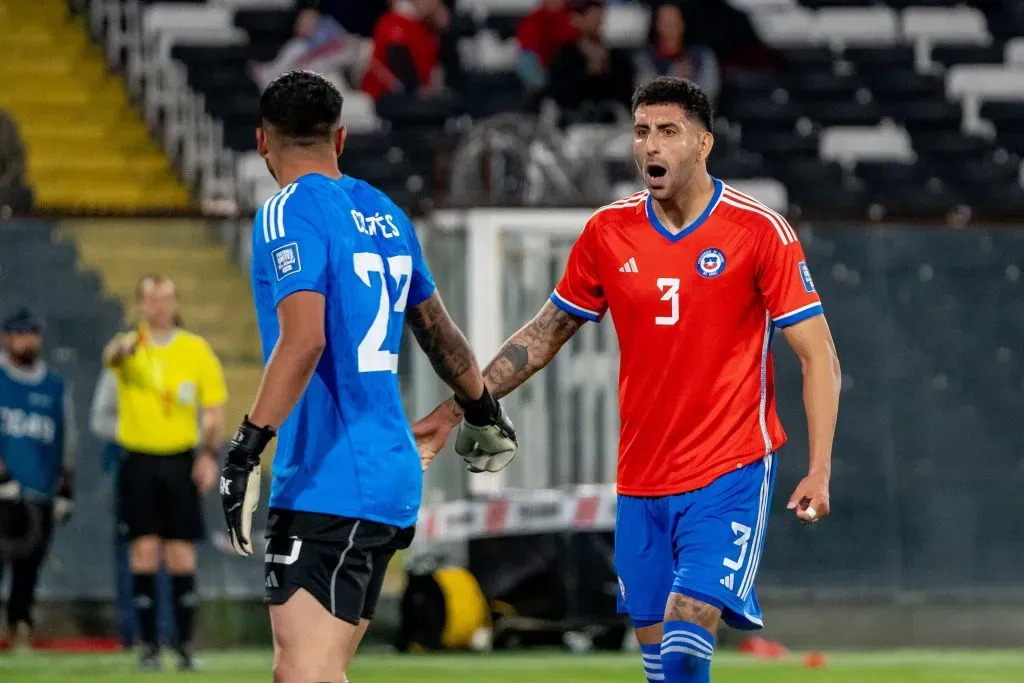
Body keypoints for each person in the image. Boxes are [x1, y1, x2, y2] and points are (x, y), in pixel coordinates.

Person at [413, 76, 842, 683]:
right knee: (656, 661)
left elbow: (818, 355)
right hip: (641, 479)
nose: (650, 146)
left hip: (729, 468)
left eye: (668, 132)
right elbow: (540, 337)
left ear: (703, 145)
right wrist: (456, 409)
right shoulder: (608, 233)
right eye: (642, 132)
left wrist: (820, 466)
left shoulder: (757, 232)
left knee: (688, 632)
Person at [217, 70, 517, 683]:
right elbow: (441, 336)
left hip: (328, 477)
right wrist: (481, 410)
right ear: (341, 138)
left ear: (262, 142)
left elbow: (304, 341)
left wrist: (244, 450)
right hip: (389, 476)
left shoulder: (285, 211)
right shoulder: (385, 214)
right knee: (318, 669)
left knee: (302, 672)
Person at [102, 275, 226, 671]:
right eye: (153, 300)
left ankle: (184, 646)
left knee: (180, 553)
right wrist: (124, 349)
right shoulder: (128, 346)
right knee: (143, 551)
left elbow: (213, 411)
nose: (160, 307)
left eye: (167, 298)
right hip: (138, 458)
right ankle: (149, 647)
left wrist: (207, 454)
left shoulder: (195, 350)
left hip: (179, 460)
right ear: (141, 304)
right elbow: (114, 358)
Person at [0, 307, 75, 650]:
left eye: (31, 333)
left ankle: (20, 628)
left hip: (39, 493)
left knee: (29, 569)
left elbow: (67, 440)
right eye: (20, 334)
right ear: (7, 338)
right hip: (3, 493)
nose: (26, 340)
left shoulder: (54, 387)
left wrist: (64, 490)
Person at [88, 369, 174, 651]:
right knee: (135, 551)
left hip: (174, 466)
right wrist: (140, 433)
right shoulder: (122, 361)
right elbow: (100, 419)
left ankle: (169, 633)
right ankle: (135, 633)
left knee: (173, 551)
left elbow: (197, 416)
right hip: (130, 467)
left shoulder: (184, 358)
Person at [547, 0, 635, 118]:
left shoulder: (615, 56)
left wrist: (606, 71)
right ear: (578, 20)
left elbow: (627, 92)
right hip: (574, 121)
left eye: (599, 18)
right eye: (592, 18)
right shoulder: (565, 55)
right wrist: (586, 72)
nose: (597, 24)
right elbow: (557, 92)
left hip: (611, 121)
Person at [249, 8, 356, 93]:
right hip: (312, 55)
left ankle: (270, 77)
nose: (302, 25)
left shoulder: (329, 26)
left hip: (334, 55)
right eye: (301, 22)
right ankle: (268, 74)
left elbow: (337, 45)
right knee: (296, 48)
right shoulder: (301, 43)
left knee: (300, 51)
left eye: (307, 21)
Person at [636, 3, 720, 106]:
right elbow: (644, 94)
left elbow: (710, 92)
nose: (670, 25)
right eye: (664, 21)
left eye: (674, 20)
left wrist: (689, 86)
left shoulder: (702, 56)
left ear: (683, 23)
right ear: (655, 25)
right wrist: (673, 79)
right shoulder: (645, 58)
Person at [515, 0, 578, 92]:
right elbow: (528, 46)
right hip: (542, 65)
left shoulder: (570, 17)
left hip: (563, 65)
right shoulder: (535, 19)